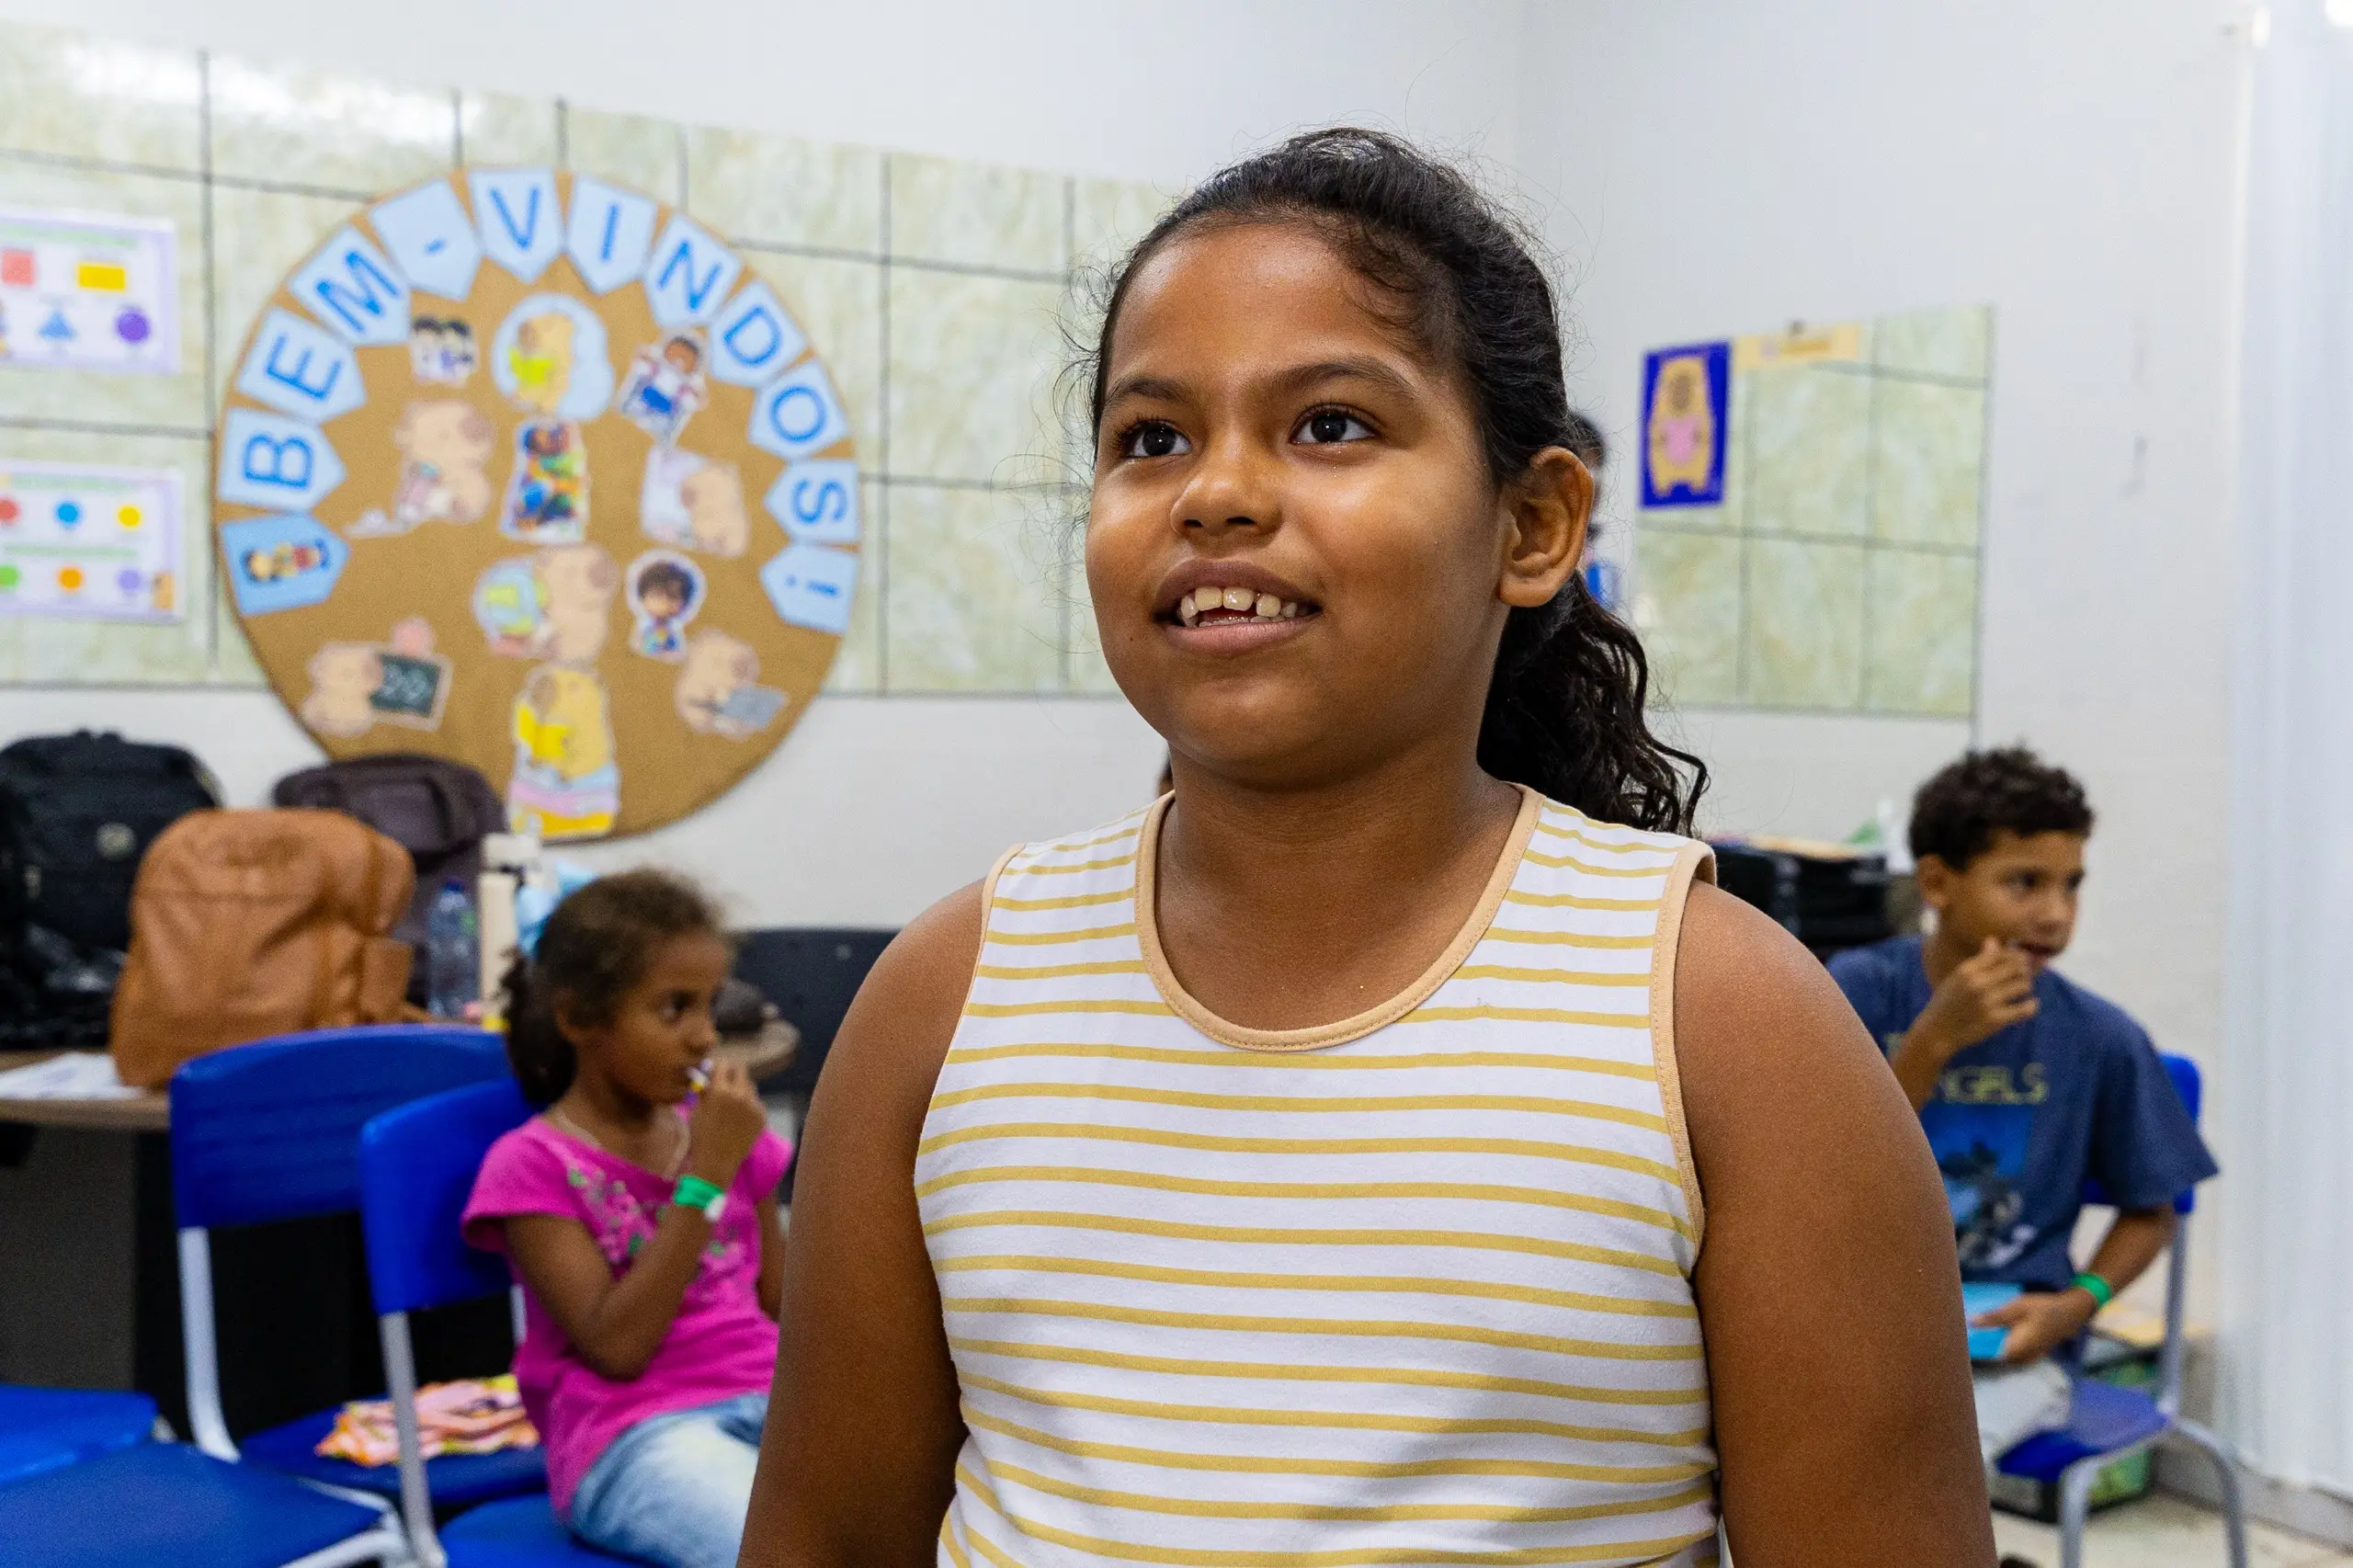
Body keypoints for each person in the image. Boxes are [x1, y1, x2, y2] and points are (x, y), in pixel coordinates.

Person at [739, 128, 1990, 1567]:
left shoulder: (1724, 1024)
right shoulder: (947, 997)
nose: (1214, 492)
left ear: (1532, 525)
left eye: (1328, 423)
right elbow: (823, 1534)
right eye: (1151, 438)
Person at [1827, 747, 2216, 1465]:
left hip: (2009, 1354)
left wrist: (2077, 1304)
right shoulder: (1854, 992)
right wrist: (1930, 1043)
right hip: (1853, 1325)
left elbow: (2151, 1209)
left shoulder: (2100, 1039)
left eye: (2071, 886)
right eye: (2025, 883)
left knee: (1921, 1472)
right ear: (1938, 882)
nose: (2055, 915)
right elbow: (1810, 1170)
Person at [461, 869, 791, 1568]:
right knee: (790, 1553)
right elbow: (619, 1348)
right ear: (580, 1018)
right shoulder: (531, 1166)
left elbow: (785, 1308)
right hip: (633, 1436)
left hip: (775, 1406)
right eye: (673, 1010)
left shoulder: (726, 1137)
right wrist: (705, 1177)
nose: (705, 1038)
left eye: (710, 1006)